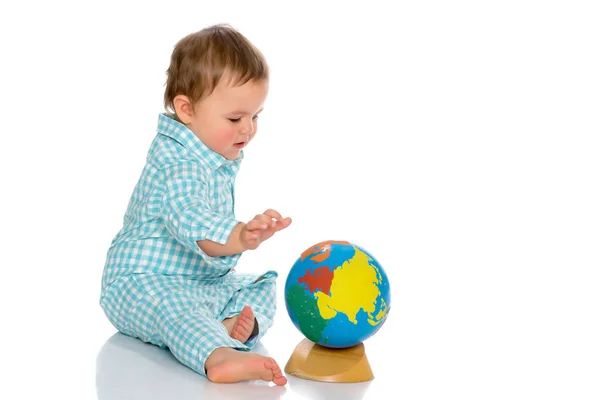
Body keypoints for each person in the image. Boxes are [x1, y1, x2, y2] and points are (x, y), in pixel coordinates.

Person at [99, 24, 291, 386]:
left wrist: (242, 240)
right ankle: (217, 355)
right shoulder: (179, 162)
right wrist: (240, 236)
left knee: (261, 285)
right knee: (176, 310)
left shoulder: (210, 152)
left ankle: (225, 327)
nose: (248, 129)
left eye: (256, 116)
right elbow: (190, 220)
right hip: (140, 284)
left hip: (197, 280)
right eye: (235, 118)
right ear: (187, 109)